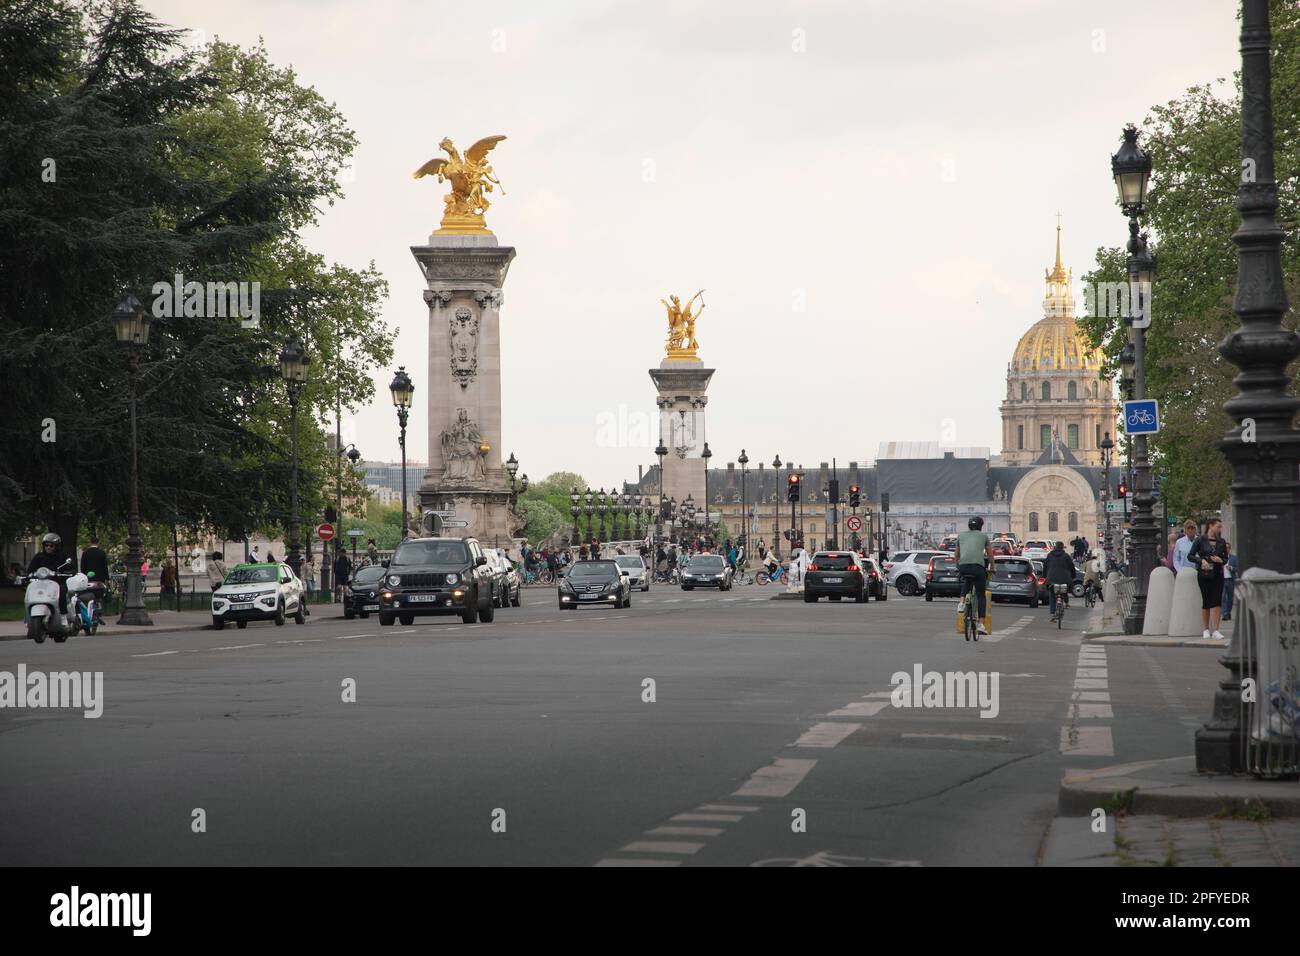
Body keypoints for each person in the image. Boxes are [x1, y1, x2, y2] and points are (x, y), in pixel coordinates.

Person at [1188, 517, 1228, 640]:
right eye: (1218, 526)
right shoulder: (1200, 540)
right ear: (1210, 526)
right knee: (1206, 601)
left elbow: (1225, 558)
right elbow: (1190, 556)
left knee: (1217, 601)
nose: (1220, 529)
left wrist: (1221, 560)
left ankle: (1216, 630)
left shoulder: (1221, 541)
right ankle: (1206, 629)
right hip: (1204, 574)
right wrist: (1201, 561)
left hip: (1218, 573)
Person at [955, 517, 994, 636]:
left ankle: (961, 603)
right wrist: (992, 567)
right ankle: (981, 624)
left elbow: (956, 554)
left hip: (963, 566)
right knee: (981, 595)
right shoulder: (984, 537)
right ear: (981, 526)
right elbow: (990, 554)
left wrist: (958, 566)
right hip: (978, 567)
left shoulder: (961, 536)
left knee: (967, 580)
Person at [26, 532, 70, 619]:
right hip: (41, 583)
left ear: (56, 546)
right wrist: (29, 575)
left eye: (51, 546)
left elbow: (69, 567)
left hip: (57, 582)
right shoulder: (39, 556)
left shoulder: (62, 556)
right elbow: (31, 569)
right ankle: (28, 618)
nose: (48, 547)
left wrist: (66, 573)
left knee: (61, 591)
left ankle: (63, 616)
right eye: (46, 545)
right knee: (30, 591)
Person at [1043, 541, 1076, 618]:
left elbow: (1045, 567)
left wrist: (1045, 576)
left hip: (1051, 579)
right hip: (1065, 579)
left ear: (1055, 547)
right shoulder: (1066, 556)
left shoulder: (1050, 555)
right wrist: (1073, 576)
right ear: (1062, 547)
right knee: (1065, 590)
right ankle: (1066, 602)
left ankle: (1053, 611)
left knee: (1052, 594)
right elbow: (1072, 568)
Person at [1221, 542, 1237, 622]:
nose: (1226, 549)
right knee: (1223, 597)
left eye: (1228, 548)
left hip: (1230, 579)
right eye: (1225, 547)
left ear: (1229, 549)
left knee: (1230, 598)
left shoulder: (1234, 558)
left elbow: (1237, 568)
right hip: (1222, 580)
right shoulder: (1220, 558)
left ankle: (1228, 612)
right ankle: (1225, 614)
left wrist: (1231, 568)